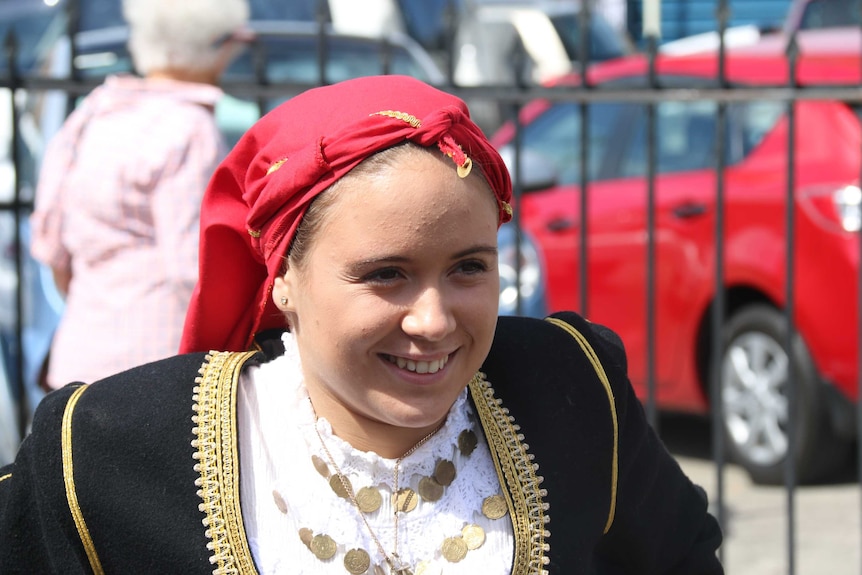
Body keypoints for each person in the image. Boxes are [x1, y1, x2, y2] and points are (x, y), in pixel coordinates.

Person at [0, 75, 724, 574]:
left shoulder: (573, 387)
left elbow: (685, 554)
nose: (435, 319)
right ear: (283, 274)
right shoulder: (102, 449)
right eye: (387, 274)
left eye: (469, 266)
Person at [28, 0, 250, 389]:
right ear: (218, 44)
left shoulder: (94, 114)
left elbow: (51, 243)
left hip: (78, 359)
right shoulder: (189, 128)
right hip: (154, 369)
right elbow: (194, 268)